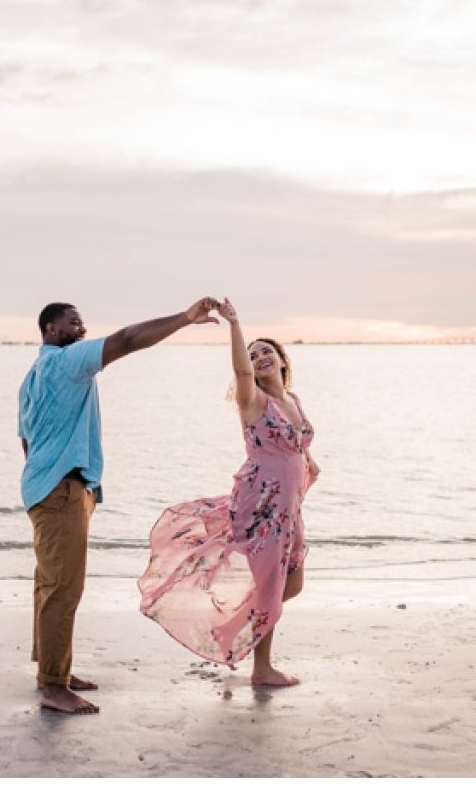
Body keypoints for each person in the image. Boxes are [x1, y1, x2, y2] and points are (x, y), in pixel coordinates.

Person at [18, 297, 219, 714]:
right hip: (61, 488)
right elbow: (126, 339)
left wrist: (46, 479)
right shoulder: (68, 361)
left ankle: (55, 669)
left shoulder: (33, 374)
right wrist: (183, 318)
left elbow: (25, 438)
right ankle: (53, 686)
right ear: (52, 330)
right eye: (74, 322)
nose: (82, 328)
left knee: (50, 585)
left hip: (45, 487)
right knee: (63, 588)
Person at [138, 297, 320, 687]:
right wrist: (235, 324)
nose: (260, 358)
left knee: (293, 583)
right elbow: (239, 369)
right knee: (271, 587)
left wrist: (309, 460)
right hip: (261, 505)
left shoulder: (294, 400)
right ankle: (262, 669)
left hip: (289, 507)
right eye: (254, 356)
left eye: (267, 351)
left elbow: (298, 442)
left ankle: (237, 620)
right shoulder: (252, 401)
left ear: (283, 361)